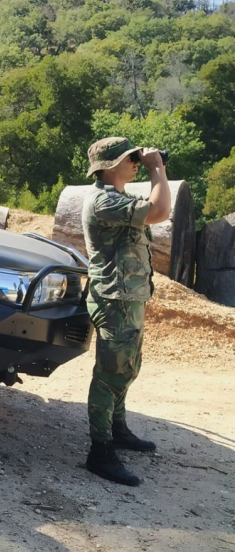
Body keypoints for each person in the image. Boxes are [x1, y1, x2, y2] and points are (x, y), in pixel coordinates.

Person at [82, 137, 171, 487]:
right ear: (108, 166)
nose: (135, 162)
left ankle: (117, 430)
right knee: (110, 375)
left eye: (137, 158)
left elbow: (153, 206)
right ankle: (99, 451)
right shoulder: (103, 201)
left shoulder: (117, 198)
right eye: (129, 158)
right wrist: (156, 167)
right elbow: (160, 211)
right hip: (114, 300)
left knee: (128, 368)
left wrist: (153, 168)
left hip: (127, 298)